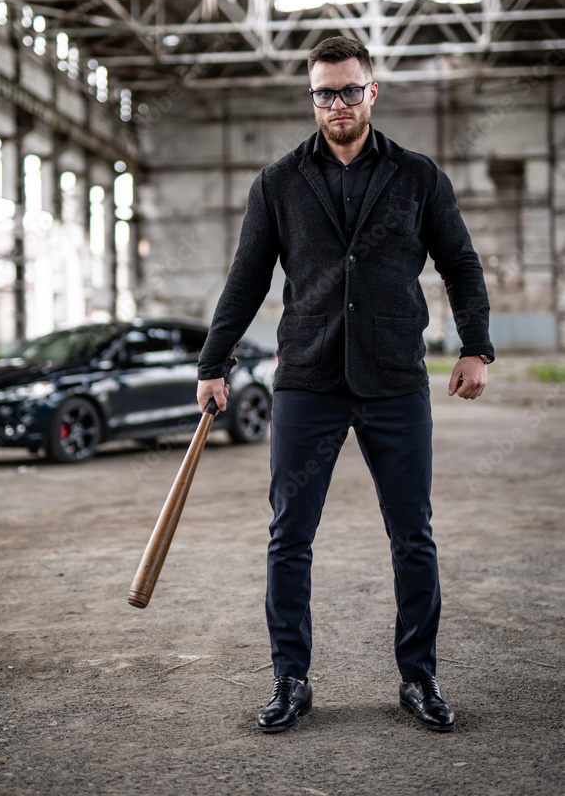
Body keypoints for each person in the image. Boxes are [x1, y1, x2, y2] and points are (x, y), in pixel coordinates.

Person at [196, 36, 494, 734]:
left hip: (393, 377)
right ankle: (290, 680)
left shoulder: (418, 178)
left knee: (411, 536)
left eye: (349, 90)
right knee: (288, 538)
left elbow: (461, 266)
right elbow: (246, 279)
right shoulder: (276, 183)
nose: (337, 104)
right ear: (312, 98)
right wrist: (213, 364)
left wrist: (474, 346)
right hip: (306, 379)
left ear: (371, 92)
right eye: (324, 93)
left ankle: (418, 679)